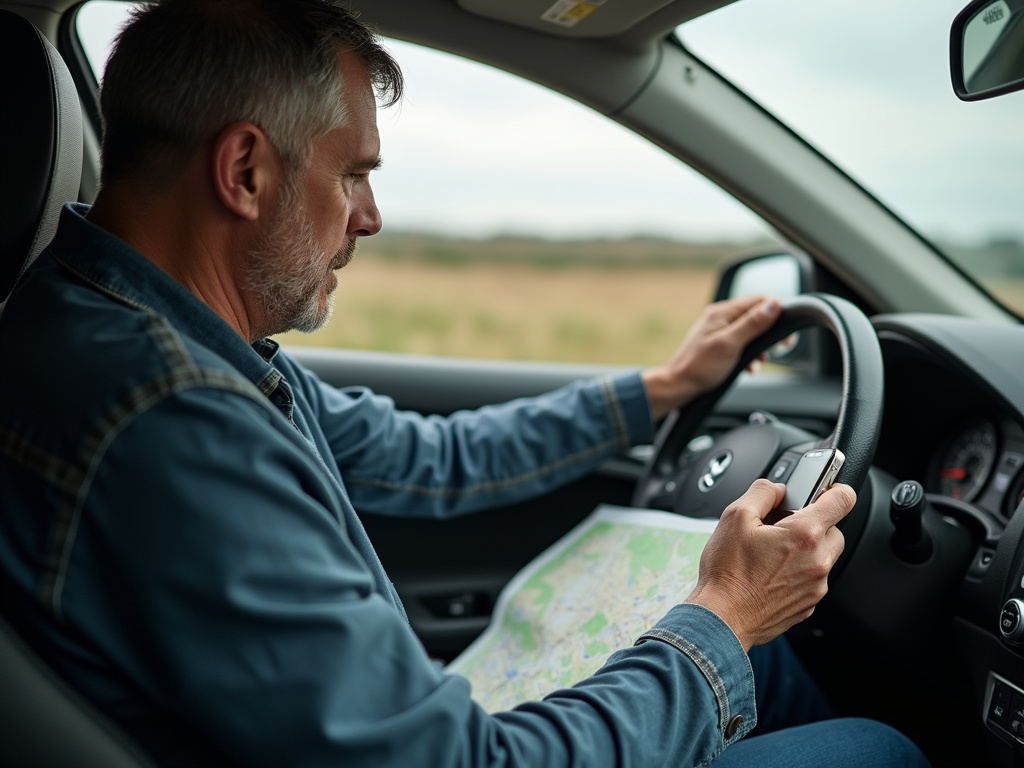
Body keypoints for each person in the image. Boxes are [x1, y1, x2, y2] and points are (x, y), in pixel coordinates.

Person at [0, 1, 928, 766]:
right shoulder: (176, 422)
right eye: (353, 174)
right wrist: (723, 615)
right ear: (245, 170)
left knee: (759, 669)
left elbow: (431, 456)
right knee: (877, 749)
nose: (370, 217)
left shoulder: (123, 333)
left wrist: (662, 387)